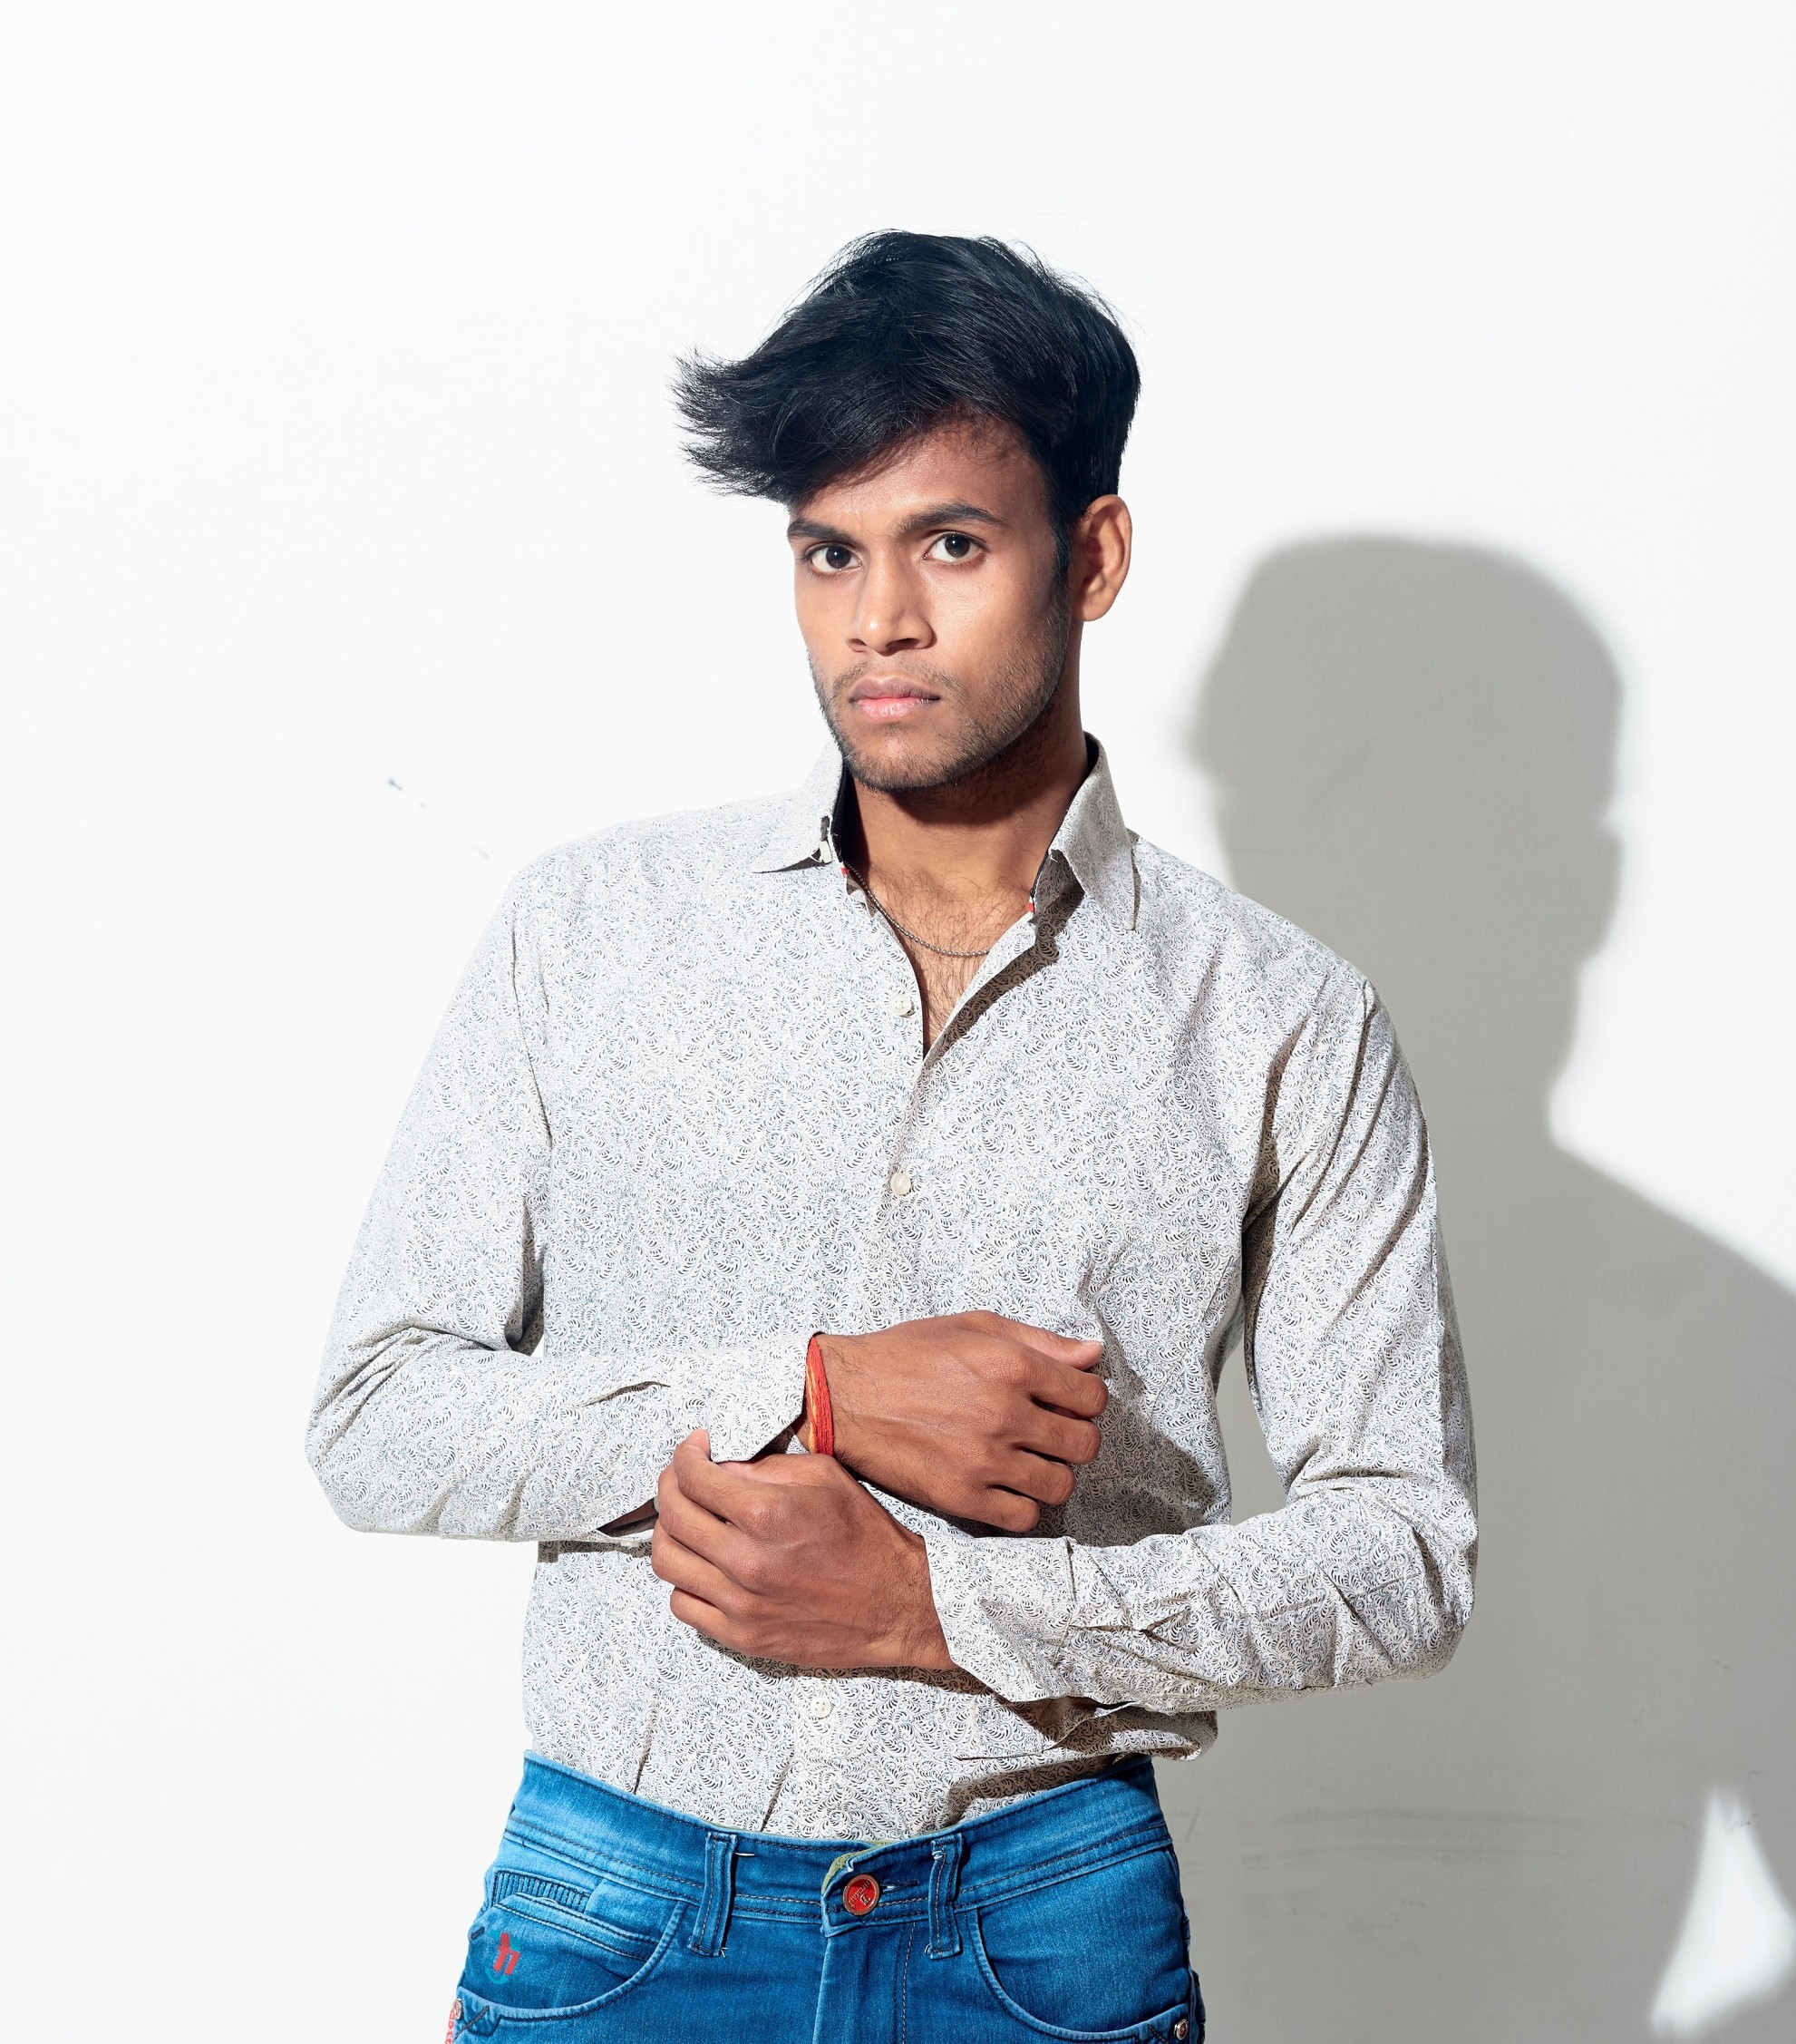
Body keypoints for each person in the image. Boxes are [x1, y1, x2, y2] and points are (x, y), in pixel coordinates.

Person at [308, 231, 1477, 2044]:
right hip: (623, 1906)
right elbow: (379, 1415)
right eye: (828, 552)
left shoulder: (1280, 1018)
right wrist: (818, 1392)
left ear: (1092, 556)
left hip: (1041, 1918)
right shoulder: (590, 928)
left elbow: (1403, 1548)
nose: (879, 622)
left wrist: (949, 1611)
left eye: (950, 543)